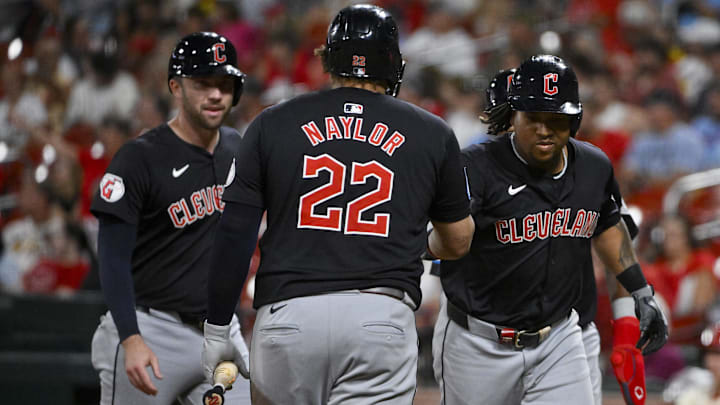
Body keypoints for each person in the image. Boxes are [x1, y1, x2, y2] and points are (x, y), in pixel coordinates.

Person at [201, 4, 475, 404]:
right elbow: (459, 240)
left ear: (328, 59)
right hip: (379, 318)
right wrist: (423, 244)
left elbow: (235, 233)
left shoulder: (272, 122)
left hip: (288, 317)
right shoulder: (431, 131)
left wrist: (217, 327)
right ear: (392, 62)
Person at [432, 54, 668, 404]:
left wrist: (640, 294)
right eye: (534, 118)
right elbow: (443, 242)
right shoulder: (475, 167)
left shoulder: (593, 166)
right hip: (479, 341)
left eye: (556, 119)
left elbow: (608, 227)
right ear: (513, 116)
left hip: (558, 336)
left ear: (575, 119)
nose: (544, 129)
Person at [89, 32, 251, 405]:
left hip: (219, 331)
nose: (215, 95)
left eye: (224, 84)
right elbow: (112, 258)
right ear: (176, 87)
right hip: (151, 327)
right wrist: (130, 337)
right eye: (202, 84)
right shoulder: (139, 158)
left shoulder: (237, 148)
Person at [480, 67, 647, 405]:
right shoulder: (477, 173)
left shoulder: (586, 169)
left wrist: (627, 328)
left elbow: (617, 247)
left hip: (569, 333)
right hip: (485, 339)